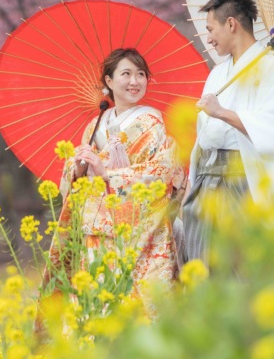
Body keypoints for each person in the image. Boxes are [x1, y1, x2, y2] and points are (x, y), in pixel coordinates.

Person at [179, 0, 274, 267]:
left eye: (211, 29)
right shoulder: (218, 74)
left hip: (244, 182)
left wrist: (224, 113)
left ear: (231, 24)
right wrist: (191, 187)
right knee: (202, 267)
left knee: (240, 270)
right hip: (205, 182)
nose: (209, 38)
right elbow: (203, 138)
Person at [54, 48, 186, 291]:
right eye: (126, 74)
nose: (135, 81)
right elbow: (75, 179)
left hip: (142, 228)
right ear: (109, 80)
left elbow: (163, 171)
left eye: (141, 74)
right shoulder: (95, 125)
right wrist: (79, 168)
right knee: (99, 295)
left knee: (138, 298)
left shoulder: (153, 123)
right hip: (97, 228)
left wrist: (108, 174)